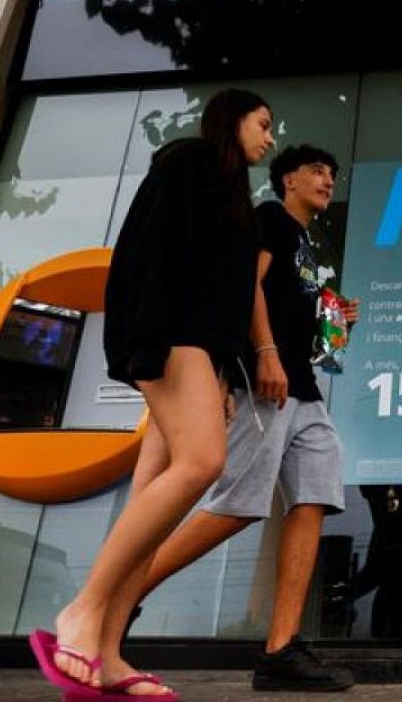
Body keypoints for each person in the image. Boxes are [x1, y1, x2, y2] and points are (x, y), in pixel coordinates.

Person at [31, 89, 274, 701]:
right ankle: (83, 612)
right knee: (203, 462)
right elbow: (144, 252)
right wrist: (147, 345)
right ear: (232, 119)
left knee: (153, 497)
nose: (270, 138)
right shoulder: (187, 161)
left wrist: (223, 375)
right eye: (263, 124)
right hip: (168, 340)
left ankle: (109, 655)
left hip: (203, 353)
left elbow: (224, 292)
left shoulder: (235, 195)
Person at [125, 145, 357, 692]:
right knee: (240, 503)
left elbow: (309, 329)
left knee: (316, 492)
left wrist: (338, 323)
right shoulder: (270, 219)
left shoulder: (312, 248)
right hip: (263, 381)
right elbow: (244, 285)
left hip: (304, 389)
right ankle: (122, 590)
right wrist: (265, 354)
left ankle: (281, 649)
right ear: (288, 180)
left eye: (331, 174)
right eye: (317, 171)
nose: (327, 180)